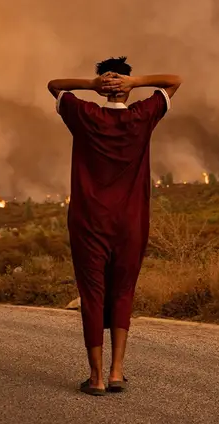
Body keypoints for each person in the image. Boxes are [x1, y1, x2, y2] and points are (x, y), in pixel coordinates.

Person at [47, 57, 181, 396]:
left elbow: (54, 86)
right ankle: (117, 372)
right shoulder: (143, 116)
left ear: (104, 85)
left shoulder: (84, 115)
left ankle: (96, 378)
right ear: (126, 84)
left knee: (92, 295)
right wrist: (137, 84)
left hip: (89, 222)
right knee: (123, 293)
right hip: (131, 223)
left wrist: (90, 86)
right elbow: (174, 80)